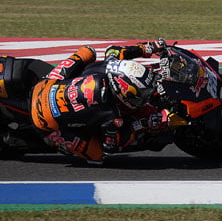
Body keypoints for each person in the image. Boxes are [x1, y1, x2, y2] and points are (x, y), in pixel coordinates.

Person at [29, 40, 171, 163]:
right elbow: (111, 146)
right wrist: (142, 123)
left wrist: (148, 48)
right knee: (98, 156)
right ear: (120, 91)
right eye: (140, 94)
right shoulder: (112, 116)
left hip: (45, 85)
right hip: (43, 119)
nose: (144, 98)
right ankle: (58, 142)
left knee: (88, 51)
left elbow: (113, 50)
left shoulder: (109, 65)